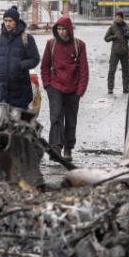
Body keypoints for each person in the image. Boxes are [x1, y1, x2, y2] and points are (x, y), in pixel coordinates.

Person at [41, 15, 88, 160]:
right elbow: (44, 67)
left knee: (71, 119)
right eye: (59, 29)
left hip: (73, 89)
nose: (61, 32)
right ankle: (56, 147)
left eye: (63, 29)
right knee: (56, 116)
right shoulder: (51, 44)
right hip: (55, 87)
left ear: (69, 30)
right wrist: (47, 85)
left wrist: (80, 90)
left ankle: (68, 148)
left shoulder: (79, 45)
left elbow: (84, 70)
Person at [0, 5, 40, 110]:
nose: (7, 23)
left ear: (16, 21)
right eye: (5, 20)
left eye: (10, 21)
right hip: (1, 89)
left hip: (21, 89)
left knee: (18, 123)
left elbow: (35, 59)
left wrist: (20, 65)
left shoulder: (26, 38)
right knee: (1, 122)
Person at [104, 10, 129, 94]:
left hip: (124, 52)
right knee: (112, 71)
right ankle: (110, 88)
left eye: (119, 17)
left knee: (126, 71)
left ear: (122, 18)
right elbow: (106, 38)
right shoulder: (112, 27)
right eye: (116, 17)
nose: (118, 19)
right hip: (115, 52)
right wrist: (113, 37)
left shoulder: (126, 27)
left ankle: (126, 88)